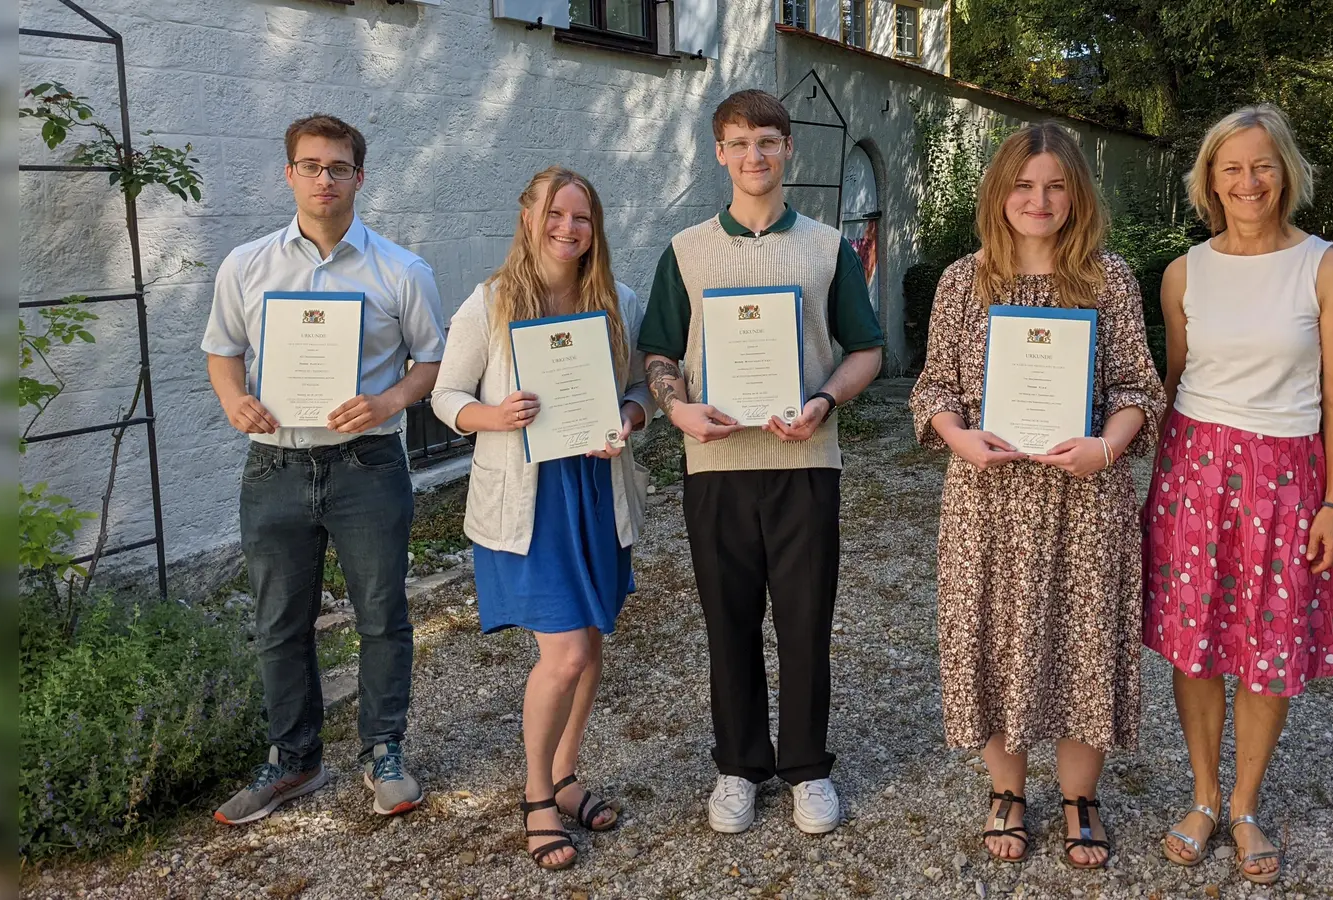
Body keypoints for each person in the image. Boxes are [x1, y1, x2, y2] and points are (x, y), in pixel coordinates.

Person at [910, 122, 1165, 868]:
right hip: (988, 500)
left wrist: (1107, 446)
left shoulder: (1108, 278)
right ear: (1000, 192)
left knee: (1085, 641)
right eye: (1024, 185)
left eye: (1056, 185)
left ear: (1077, 194)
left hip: (1085, 498)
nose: (1039, 199)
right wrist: (959, 437)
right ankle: (1008, 793)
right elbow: (935, 388)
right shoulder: (963, 280)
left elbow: (1136, 390)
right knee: (990, 638)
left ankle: (1082, 798)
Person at [639, 89, 885, 835]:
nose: (755, 156)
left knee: (807, 621)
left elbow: (866, 349)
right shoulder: (685, 250)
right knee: (729, 622)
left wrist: (825, 400)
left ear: (788, 151)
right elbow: (660, 353)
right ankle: (739, 765)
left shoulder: (826, 247)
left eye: (769, 142)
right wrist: (675, 406)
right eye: (740, 143)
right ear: (720, 153)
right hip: (714, 465)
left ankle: (806, 766)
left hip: (804, 456)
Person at [1146, 104, 1333, 886]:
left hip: (1286, 478)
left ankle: (1245, 804)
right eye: (1232, 167)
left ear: (1288, 173)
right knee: (1197, 640)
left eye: (1263, 165)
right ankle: (1203, 795)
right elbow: (1173, 381)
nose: (1249, 182)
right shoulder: (1184, 272)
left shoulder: (1326, 268)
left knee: (1268, 648)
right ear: (1209, 179)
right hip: (1193, 472)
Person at [203, 114, 445, 824]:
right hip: (274, 465)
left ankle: (383, 751)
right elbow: (222, 350)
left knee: (381, 614)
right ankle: (294, 760)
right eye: (310, 166)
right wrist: (232, 401)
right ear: (289, 174)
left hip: (366, 464)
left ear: (359, 177)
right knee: (279, 621)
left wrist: (387, 401)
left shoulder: (401, 269)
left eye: (338, 167)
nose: (324, 179)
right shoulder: (246, 265)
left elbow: (430, 363)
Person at [430, 166, 651, 871]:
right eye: (554, 214)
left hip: (594, 487)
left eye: (581, 218)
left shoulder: (620, 300)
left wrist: (627, 414)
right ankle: (536, 795)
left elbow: (641, 388)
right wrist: (490, 416)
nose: (567, 229)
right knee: (566, 654)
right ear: (528, 217)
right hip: (529, 500)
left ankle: (565, 773)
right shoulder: (490, 303)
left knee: (591, 642)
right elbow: (444, 394)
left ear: (596, 229)